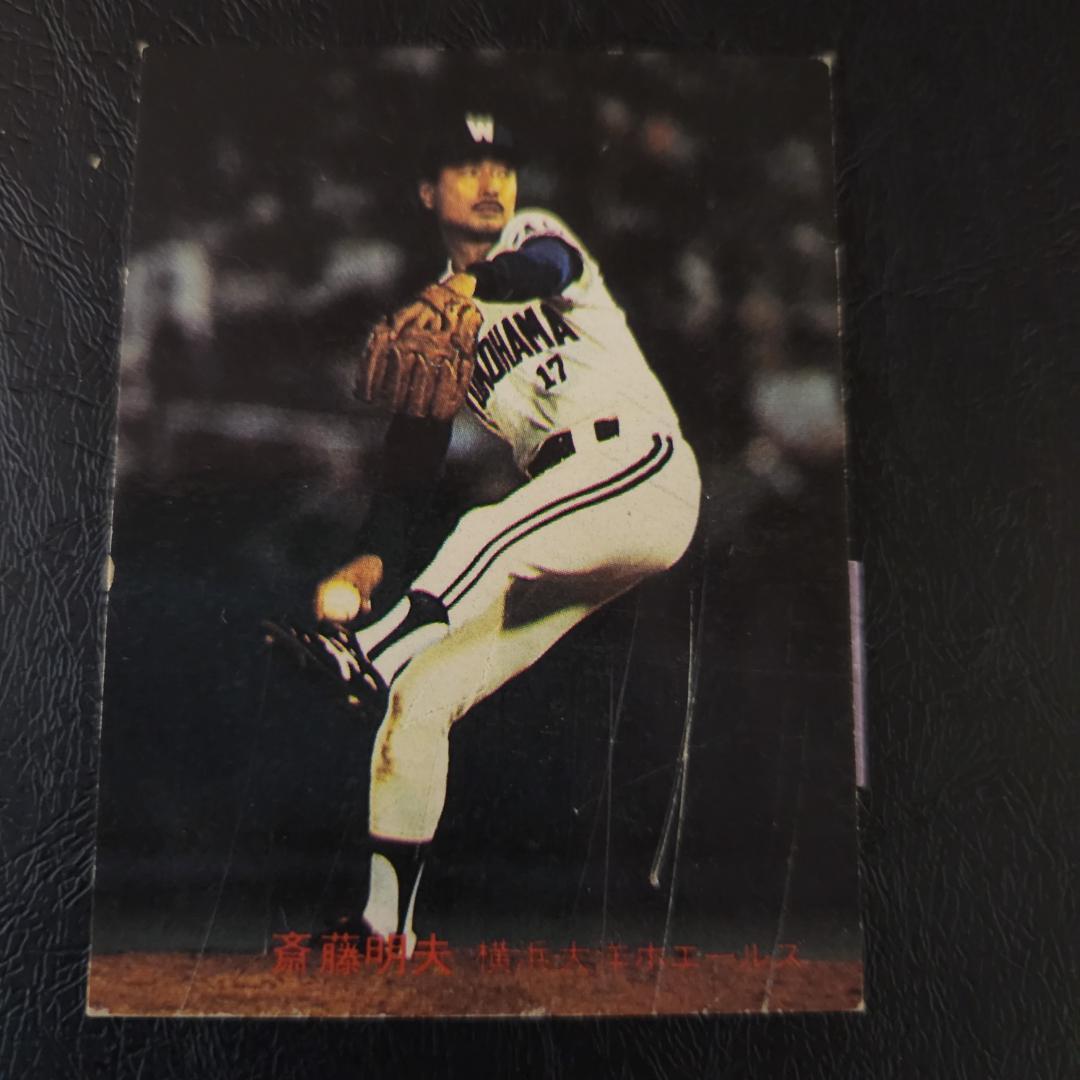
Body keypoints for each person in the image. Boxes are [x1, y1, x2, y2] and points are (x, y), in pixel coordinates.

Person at [267, 111, 701, 955]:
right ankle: (383, 932)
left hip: (639, 467)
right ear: (427, 191)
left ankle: (370, 651)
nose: (491, 179)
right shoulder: (439, 317)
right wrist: (370, 556)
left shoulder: (532, 238)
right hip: (573, 513)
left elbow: (547, 267)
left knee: (485, 529)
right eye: (466, 167)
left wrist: (465, 291)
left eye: (500, 164)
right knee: (422, 699)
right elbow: (413, 455)